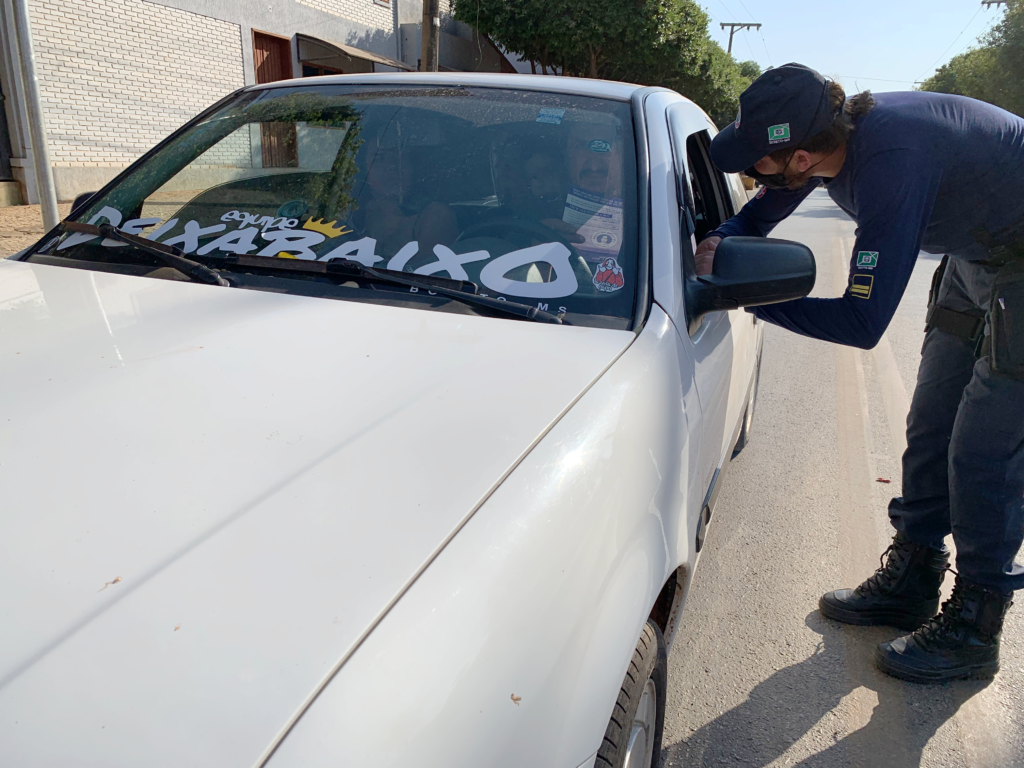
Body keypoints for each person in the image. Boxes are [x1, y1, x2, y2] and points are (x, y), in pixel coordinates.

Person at [699, 63, 1023, 683]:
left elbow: (863, 321)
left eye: (755, 160)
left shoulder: (891, 162)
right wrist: (715, 243)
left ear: (797, 156)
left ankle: (976, 628)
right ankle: (913, 577)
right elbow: (754, 219)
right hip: (979, 253)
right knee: (931, 422)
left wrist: (745, 295)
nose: (748, 170)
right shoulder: (823, 144)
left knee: (986, 447)